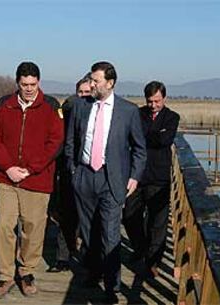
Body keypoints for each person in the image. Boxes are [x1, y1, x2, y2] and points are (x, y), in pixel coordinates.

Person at [65, 61, 146, 303]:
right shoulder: (80, 106)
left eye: (95, 81)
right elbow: (70, 142)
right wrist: (73, 171)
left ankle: (112, 287)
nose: (91, 84)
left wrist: (134, 177)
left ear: (110, 83)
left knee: (111, 235)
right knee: (89, 232)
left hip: (113, 180)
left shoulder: (128, 111)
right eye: (90, 79)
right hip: (84, 176)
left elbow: (140, 150)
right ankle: (94, 272)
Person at [0, 61, 64, 298]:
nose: (29, 88)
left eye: (33, 84)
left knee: (33, 227)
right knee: (5, 227)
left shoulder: (50, 105)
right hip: (7, 178)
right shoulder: (4, 104)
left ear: (39, 82)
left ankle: (27, 271)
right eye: (24, 84)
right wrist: (8, 167)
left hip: (37, 179)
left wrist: (31, 169)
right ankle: (5, 276)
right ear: (17, 83)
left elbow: (56, 142)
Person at [123, 81, 180, 278]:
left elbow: (165, 140)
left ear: (164, 98)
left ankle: (152, 261)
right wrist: (153, 135)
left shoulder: (172, 117)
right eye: (150, 101)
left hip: (159, 177)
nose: (153, 105)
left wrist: (144, 136)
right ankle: (140, 248)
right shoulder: (137, 114)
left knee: (158, 222)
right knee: (129, 216)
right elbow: (131, 138)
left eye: (157, 101)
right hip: (136, 176)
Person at [47, 74, 92, 273]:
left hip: (92, 173)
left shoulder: (99, 114)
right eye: (80, 92)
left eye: (87, 93)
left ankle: (91, 259)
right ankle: (62, 258)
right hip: (68, 169)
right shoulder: (67, 109)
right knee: (67, 215)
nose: (82, 97)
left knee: (91, 219)